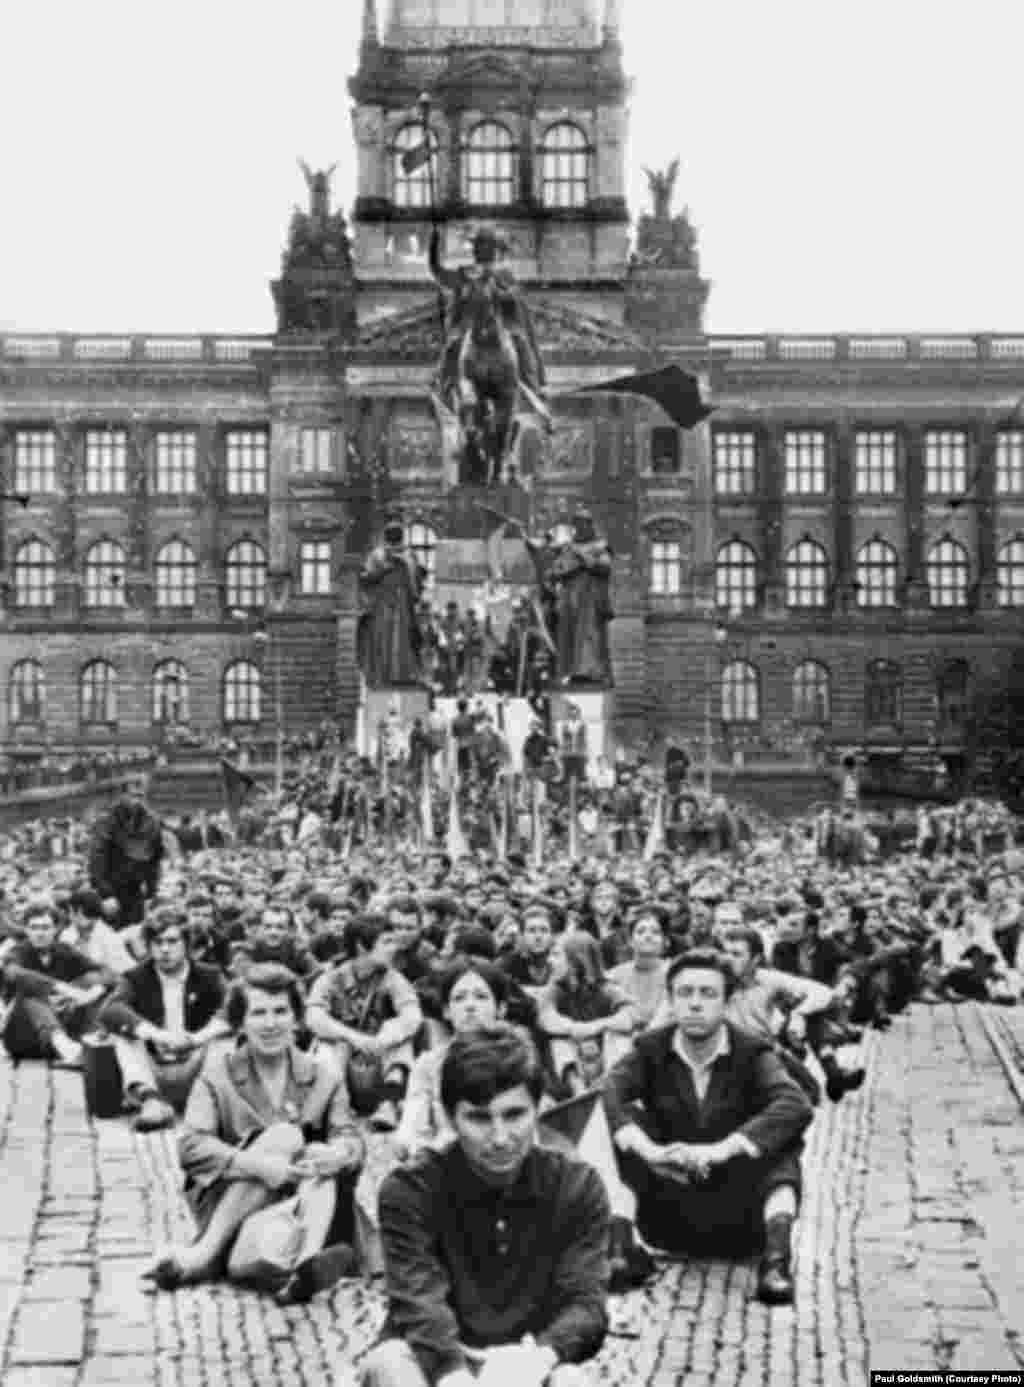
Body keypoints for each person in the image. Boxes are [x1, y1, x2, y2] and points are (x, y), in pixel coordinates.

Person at [360, 1024, 609, 1387]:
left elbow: (586, 1304)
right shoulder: (410, 1190)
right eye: (478, 1118)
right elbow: (419, 1301)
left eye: (514, 1115)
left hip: (527, 1357)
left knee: (573, 1383)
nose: (500, 1138)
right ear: (449, 1117)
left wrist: (539, 1357)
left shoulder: (577, 1185)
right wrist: (452, 1374)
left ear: (537, 1108)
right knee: (389, 1365)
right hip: (431, 1357)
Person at [604, 949, 814, 1305]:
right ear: (670, 1001)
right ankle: (623, 1249)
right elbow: (609, 1093)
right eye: (685, 994)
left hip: (741, 1217)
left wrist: (723, 1149)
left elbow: (795, 1104)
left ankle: (776, 1263)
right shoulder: (650, 1049)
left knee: (781, 1142)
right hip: (670, 1208)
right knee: (623, 1130)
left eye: (708, 994)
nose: (695, 1005)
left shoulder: (753, 1052)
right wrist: (651, 1152)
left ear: (727, 1002)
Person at [146, 963, 362, 1301]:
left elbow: (348, 1135)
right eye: (259, 1013)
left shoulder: (323, 1077)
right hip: (227, 1205)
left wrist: (339, 1153)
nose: (271, 1024)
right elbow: (191, 1146)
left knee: (252, 1259)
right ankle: (210, 1252)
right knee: (286, 1136)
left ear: (296, 1018)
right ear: (241, 1022)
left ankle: (301, 1269)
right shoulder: (217, 1076)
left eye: (281, 1011)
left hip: (294, 1204)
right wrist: (259, 1166)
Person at [100, 908, 231, 1131]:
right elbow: (110, 1010)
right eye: (157, 942)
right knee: (125, 1036)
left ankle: (208, 1104)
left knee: (222, 1039)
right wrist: (155, 1034)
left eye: (172, 941)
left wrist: (197, 1038)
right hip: (154, 1067)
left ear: (186, 944)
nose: (164, 949)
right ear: (149, 946)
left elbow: (233, 1009)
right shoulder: (136, 977)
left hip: (197, 1066)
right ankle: (151, 1103)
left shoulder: (209, 975)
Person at [306, 914, 423, 1131]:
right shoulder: (331, 979)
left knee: (398, 1033)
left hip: (378, 1067)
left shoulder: (393, 979)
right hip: (341, 1075)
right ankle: (336, 1113)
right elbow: (314, 1017)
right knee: (329, 1044)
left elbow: (412, 1015)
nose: (394, 948)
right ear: (361, 946)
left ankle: (389, 1104)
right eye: (386, 942)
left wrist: (383, 1039)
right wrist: (353, 1037)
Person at [429, 226, 546, 406]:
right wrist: (434, 243)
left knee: (522, 344)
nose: (480, 249)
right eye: (478, 245)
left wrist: (502, 293)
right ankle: (444, 391)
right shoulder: (464, 273)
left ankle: (533, 392)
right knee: (452, 347)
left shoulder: (503, 274)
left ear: (493, 248)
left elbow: (515, 299)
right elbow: (438, 273)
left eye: (485, 245)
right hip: (466, 326)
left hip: (502, 324)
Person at [2, 899, 116, 1065]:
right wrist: (62, 988)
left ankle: (90, 1040)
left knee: (91, 979)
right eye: (34, 928)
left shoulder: (64, 950)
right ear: (26, 930)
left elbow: (107, 972)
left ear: (55, 929)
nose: (40, 933)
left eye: (45, 927)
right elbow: (14, 973)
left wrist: (92, 993)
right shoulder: (18, 952)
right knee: (30, 993)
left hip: (58, 1035)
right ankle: (70, 1049)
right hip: (21, 1037)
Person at [88, 774, 165, 926]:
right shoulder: (107, 820)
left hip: (136, 890)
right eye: (132, 796)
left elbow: (155, 859)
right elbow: (97, 858)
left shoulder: (152, 821)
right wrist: (105, 894)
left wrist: (152, 892)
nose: (137, 800)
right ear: (122, 796)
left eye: (140, 796)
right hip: (112, 888)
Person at [357, 523, 425, 688]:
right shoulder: (379, 555)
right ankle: (382, 677)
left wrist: (408, 568)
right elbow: (365, 578)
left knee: (404, 639)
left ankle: (405, 676)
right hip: (384, 604)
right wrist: (383, 571)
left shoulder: (408, 555)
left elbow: (418, 579)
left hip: (401, 605)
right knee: (383, 640)